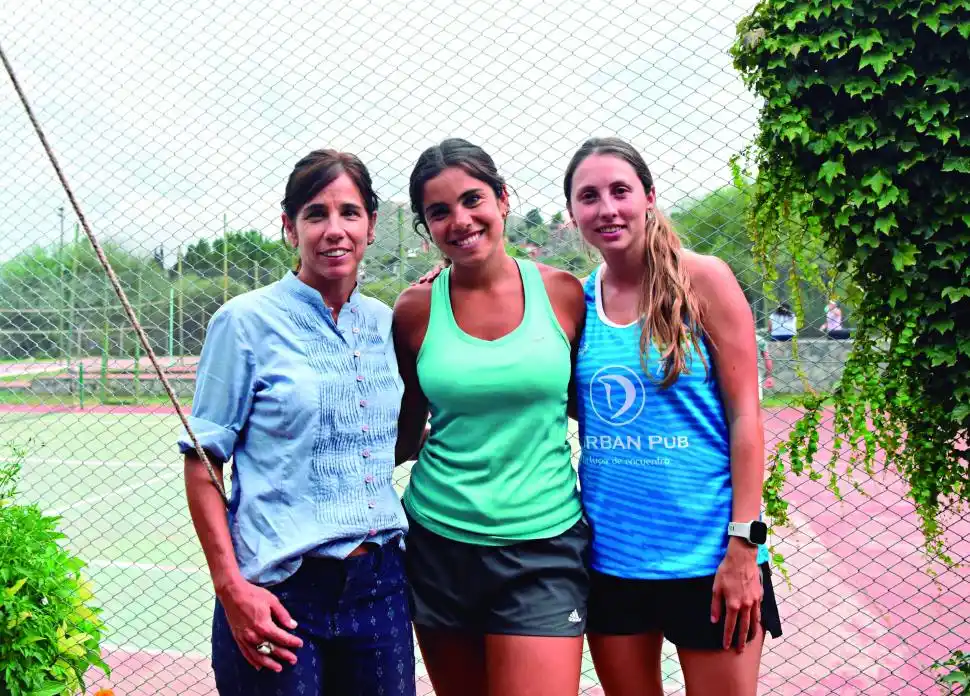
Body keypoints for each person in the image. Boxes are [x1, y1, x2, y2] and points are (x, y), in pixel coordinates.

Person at [179, 149, 415, 696]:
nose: (334, 230)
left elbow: (384, 438)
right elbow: (204, 462)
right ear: (290, 227)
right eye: (315, 214)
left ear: (372, 225)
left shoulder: (385, 323)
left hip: (378, 588)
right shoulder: (244, 322)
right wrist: (232, 588)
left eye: (350, 213)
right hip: (279, 592)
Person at [565, 137, 782, 696]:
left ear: (649, 198)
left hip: (712, 560)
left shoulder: (702, 279)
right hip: (612, 562)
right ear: (573, 213)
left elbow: (746, 420)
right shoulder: (577, 303)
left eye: (620, 191)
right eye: (589, 196)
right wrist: (441, 276)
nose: (607, 208)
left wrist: (744, 546)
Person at [393, 138, 590, 696]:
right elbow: (405, 430)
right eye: (439, 211)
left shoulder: (563, 293)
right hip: (439, 543)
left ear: (503, 199)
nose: (460, 220)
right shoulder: (414, 309)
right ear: (426, 226)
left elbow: (589, 403)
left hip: (544, 547)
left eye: (472, 199)